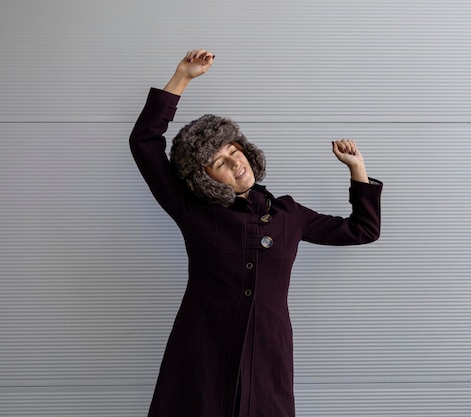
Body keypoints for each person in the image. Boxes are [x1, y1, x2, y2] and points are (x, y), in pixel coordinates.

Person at [129, 49, 382, 417]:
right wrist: (181, 78)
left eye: (234, 150)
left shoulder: (288, 215)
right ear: (204, 177)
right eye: (219, 162)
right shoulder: (194, 211)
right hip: (202, 354)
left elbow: (363, 230)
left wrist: (357, 168)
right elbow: (144, 143)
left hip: (268, 358)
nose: (235, 162)